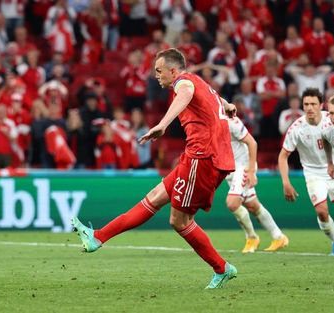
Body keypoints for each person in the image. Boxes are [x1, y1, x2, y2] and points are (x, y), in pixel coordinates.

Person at [72, 48, 238, 289]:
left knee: (179, 221)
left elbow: (186, 93)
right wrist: (228, 104)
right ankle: (98, 237)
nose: (156, 76)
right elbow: (212, 98)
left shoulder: (184, 83)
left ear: (173, 70)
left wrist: (162, 124)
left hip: (203, 157)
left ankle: (221, 268)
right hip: (199, 156)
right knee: (154, 198)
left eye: (159, 71)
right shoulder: (197, 80)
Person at [278, 88, 334, 256]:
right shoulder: (297, 127)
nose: (309, 108)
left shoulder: (333, 119)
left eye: (313, 104)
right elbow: (283, 156)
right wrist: (286, 182)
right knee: (322, 211)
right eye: (306, 104)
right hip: (313, 173)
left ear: (321, 105)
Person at [226, 115, 289, 253]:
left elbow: (252, 143)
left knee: (232, 203)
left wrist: (252, 170)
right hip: (230, 170)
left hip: (243, 167)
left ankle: (252, 237)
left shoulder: (230, 122)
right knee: (253, 205)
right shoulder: (208, 123)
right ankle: (278, 237)